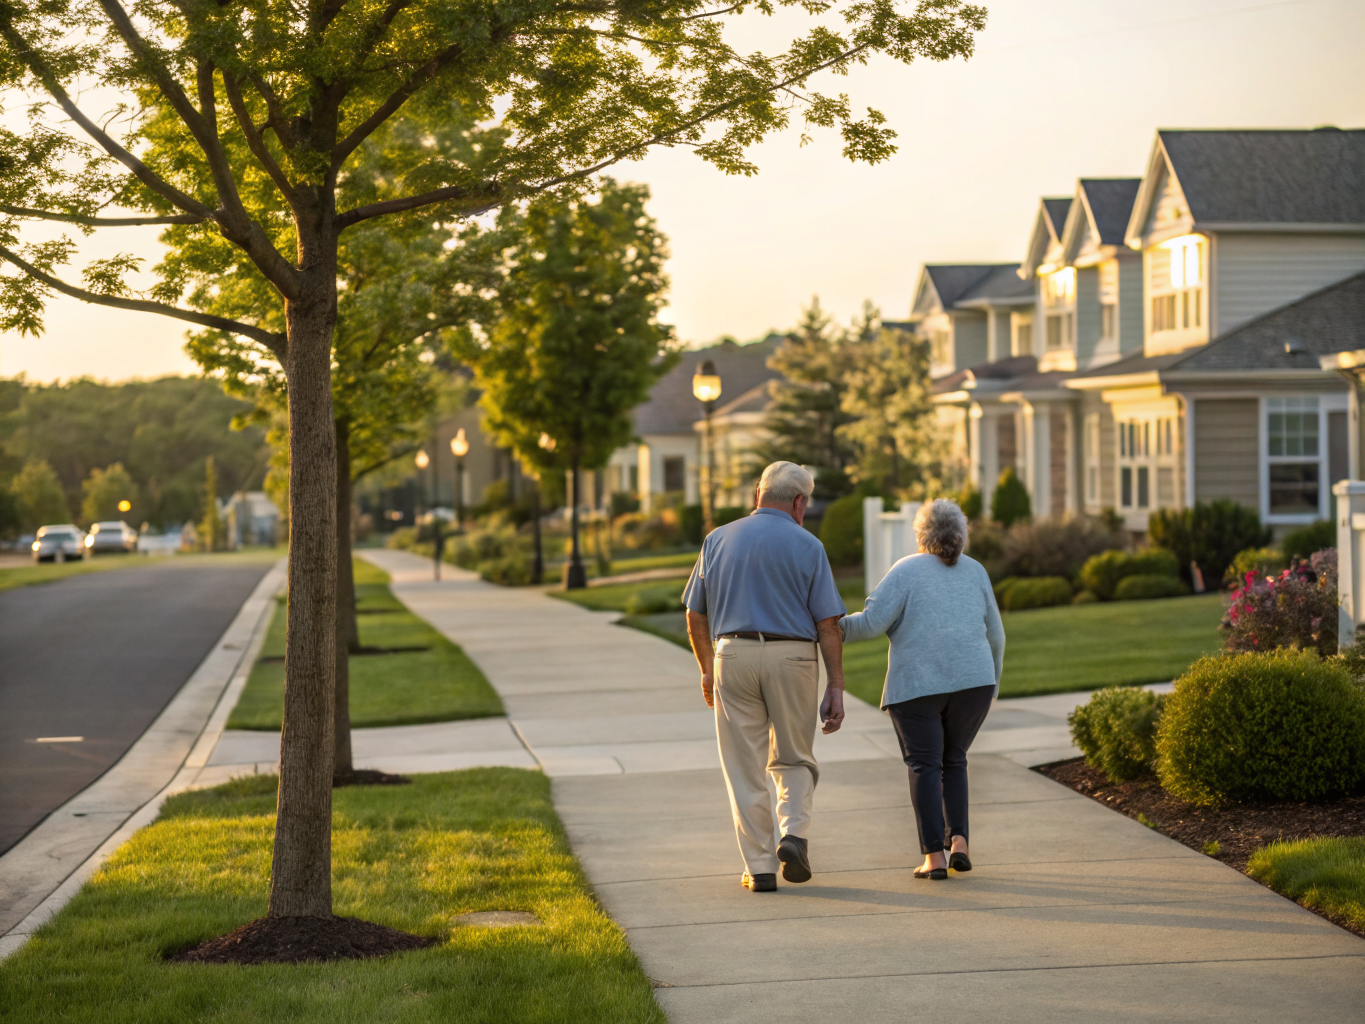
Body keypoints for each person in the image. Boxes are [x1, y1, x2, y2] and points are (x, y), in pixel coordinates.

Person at [683, 461, 848, 893]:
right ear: (798, 502)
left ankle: (759, 868)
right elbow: (828, 624)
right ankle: (793, 834)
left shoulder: (716, 539)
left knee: (743, 767)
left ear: (759, 494)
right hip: (793, 656)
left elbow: (694, 613)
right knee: (794, 756)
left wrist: (706, 668)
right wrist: (835, 685)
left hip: (731, 654)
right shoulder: (809, 545)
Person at [841, 498, 1005, 881]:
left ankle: (935, 857)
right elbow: (996, 635)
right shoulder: (976, 571)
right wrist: (992, 683)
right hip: (975, 683)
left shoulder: (907, 570)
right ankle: (960, 841)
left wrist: (829, 626)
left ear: (921, 535)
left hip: (917, 687)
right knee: (955, 759)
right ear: (960, 533)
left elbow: (870, 623)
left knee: (925, 765)